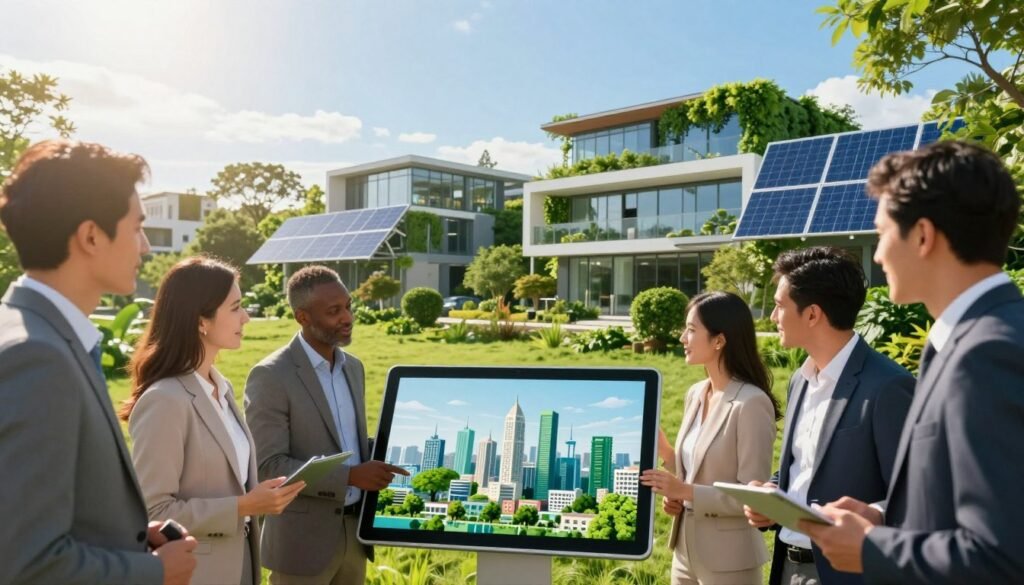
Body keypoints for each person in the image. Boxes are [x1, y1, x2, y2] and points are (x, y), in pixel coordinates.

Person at [799, 141, 1024, 583]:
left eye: (882, 233)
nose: (878, 256)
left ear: (923, 235)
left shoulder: (988, 354)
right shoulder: (976, 339)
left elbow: (1002, 555)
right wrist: (886, 518)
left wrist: (871, 548)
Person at [0, 140, 196, 585]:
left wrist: (126, 538)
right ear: (91, 236)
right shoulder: (38, 358)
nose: (145, 247)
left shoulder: (35, 333)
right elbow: (26, 566)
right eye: (137, 227)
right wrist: (151, 571)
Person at [123, 256, 305, 585]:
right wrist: (243, 506)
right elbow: (153, 512)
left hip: (241, 568)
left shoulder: (221, 388)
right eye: (235, 307)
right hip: (196, 575)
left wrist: (258, 498)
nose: (246, 317)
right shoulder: (165, 400)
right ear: (200, 320)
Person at [742, 247, 914, 585]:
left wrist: (873, 517)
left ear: (812, 315)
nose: (774, 318)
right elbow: (803, 470)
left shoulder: (890, 387)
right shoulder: (799, 380)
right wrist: (771, 495)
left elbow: (916, 497)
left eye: (779, 306)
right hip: (788, 567)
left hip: (852, 575)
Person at [245, 265, 409, 585]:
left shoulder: (354, 368)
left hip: (354, 536)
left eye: (348, 306)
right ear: (303, 317)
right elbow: (268, 467)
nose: (347, 317)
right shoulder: (271, 376)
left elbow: (345, 440)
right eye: (334, 311)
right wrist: (350, 476)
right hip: (301, 546)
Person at [640, 291, 779, 585]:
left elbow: (752, 496)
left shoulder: (751, 403)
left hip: (730, 559)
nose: (682, 338)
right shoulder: (696, 393)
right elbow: (696, 471)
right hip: (684, 552)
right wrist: (668, 462)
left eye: (691, 330)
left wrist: (686, 492)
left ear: (719, 340)